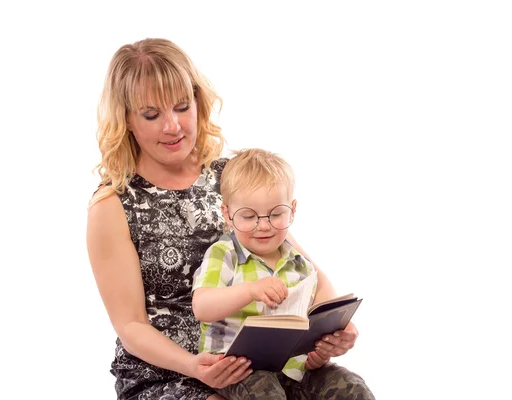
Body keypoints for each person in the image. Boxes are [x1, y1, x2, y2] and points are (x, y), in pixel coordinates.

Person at [86, 38, 372, 400]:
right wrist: (195, 367)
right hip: (167, 371)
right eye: (151, 114)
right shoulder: (112, 206)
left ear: (198, 102)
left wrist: (330, 334)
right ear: (127, 119)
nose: (173, 126)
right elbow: (130, 326)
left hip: (264, 362)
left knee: (350, 391)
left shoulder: (231, 177)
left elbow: (307, 273)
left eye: (181, 107)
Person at [192, 148, 375, 399]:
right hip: (240, 369)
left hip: (296, 368)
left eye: (276, 214)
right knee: (267, 394)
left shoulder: (297, 260)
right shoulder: (224, 253)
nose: (264, 225)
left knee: (352, 386)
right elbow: (202, 307)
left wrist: (324, 345)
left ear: (293, 209)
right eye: (248, 216)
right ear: (228, 214)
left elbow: (315, 309)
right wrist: (250, 290)